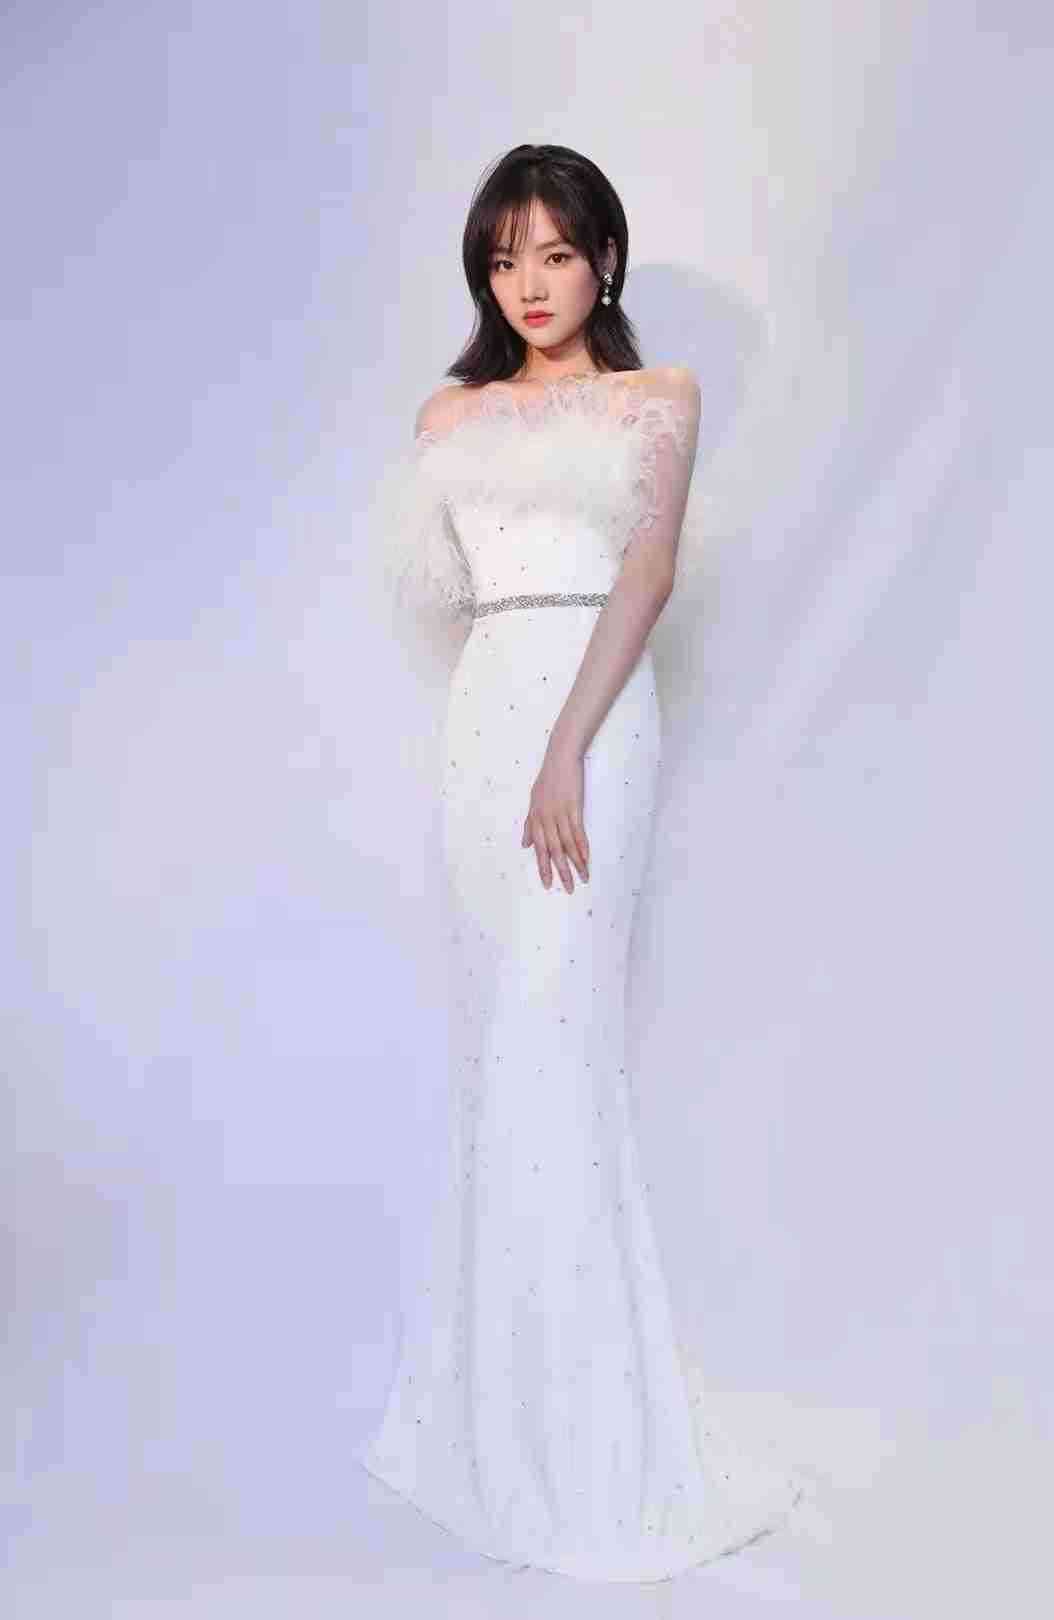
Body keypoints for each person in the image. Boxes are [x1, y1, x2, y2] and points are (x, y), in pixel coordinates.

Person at [361, 143, 805, 1583]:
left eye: (554, 253)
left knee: (561, 1044)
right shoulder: (453, 413)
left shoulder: (657, 397)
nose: (530, 284)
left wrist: (565, 744)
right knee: (501, 1051)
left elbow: (650, 572)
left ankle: (594, 1446)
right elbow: (443, 596)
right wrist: (509, 722)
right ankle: (497, 1422)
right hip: (487, 720)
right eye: (504, 260)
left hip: (595, 719)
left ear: (604, 258)